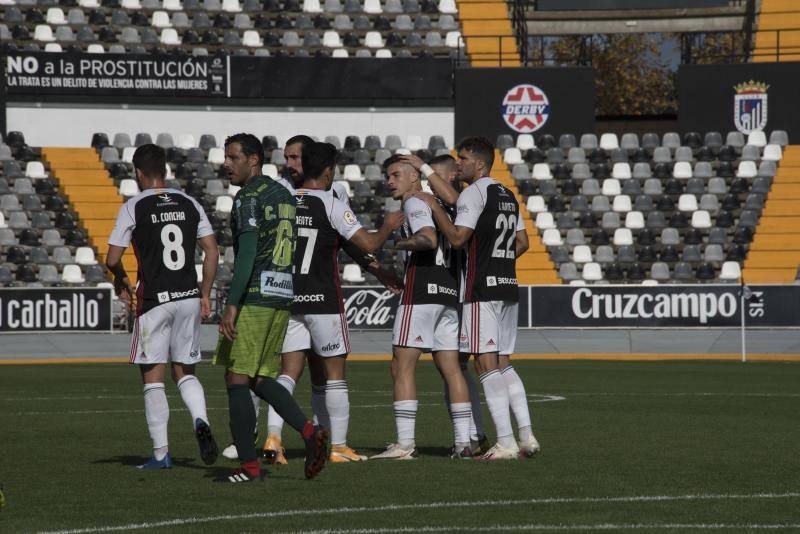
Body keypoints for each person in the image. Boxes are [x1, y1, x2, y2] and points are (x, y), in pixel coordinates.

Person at [414, 137, 541, 460]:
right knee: (503, 364)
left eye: (464, 158)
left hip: (481, 290)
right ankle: (526, 436)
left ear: (479, 164)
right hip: (508, 286)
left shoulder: (475, 192)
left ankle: (506, 443)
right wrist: (497, 260)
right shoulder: (508, 195)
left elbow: (457, 239)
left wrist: (432, 207)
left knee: (486, 366)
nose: (459, 163)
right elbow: (523, 242)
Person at [212, 133, 328, 482]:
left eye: (233, 157)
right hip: (281, 295)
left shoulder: (248, 197)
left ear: (254, 160)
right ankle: (309, 432)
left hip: (257, 297)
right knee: (260, 378)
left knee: (236, 377)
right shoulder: (284, 194)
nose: (226, 163)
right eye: (225, 157)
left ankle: (249, 466)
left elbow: (246, 254)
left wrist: (232, 304)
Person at [279, 141, 403, 463]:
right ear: (329, 170)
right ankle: (338, 447)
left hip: (290, 299)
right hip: (324, 300)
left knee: (287, 373)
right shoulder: (331, 202)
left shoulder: (283, 200)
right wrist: (388, 226)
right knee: (335, 374)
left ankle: (273, 440)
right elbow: (367, 242)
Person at [105, 144, 219, 469]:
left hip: (154, 301)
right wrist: (206, 293)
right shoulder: (189, 202)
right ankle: (200, 420)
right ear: (166, 171)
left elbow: (112, 257)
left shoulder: (133, 207)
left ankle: (161, 455)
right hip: (188, 298)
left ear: (138, 174)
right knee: (185, 372)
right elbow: (211, 250)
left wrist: (121, 279)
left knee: (153, 379)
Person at [370, 154, 473, 460]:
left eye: (395, 175)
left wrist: (396, 243)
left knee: (401, 365)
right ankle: (462, 443)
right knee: (452, 370)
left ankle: (404, 445)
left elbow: (427, 239)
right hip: (449, 294)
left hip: (420, 293)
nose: (389, 181)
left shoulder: (416, 203)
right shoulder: (452, 208)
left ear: (415, 177)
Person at [403, 153, 489, 455]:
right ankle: (470, 439)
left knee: (467, 368)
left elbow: (435, 239)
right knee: (457, 370)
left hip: (456, 296)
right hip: (456, 295)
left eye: (434, 179)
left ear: (448, 178)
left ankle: (476, 435)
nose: (430, 186)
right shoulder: (458, 208)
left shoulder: (460, 203)